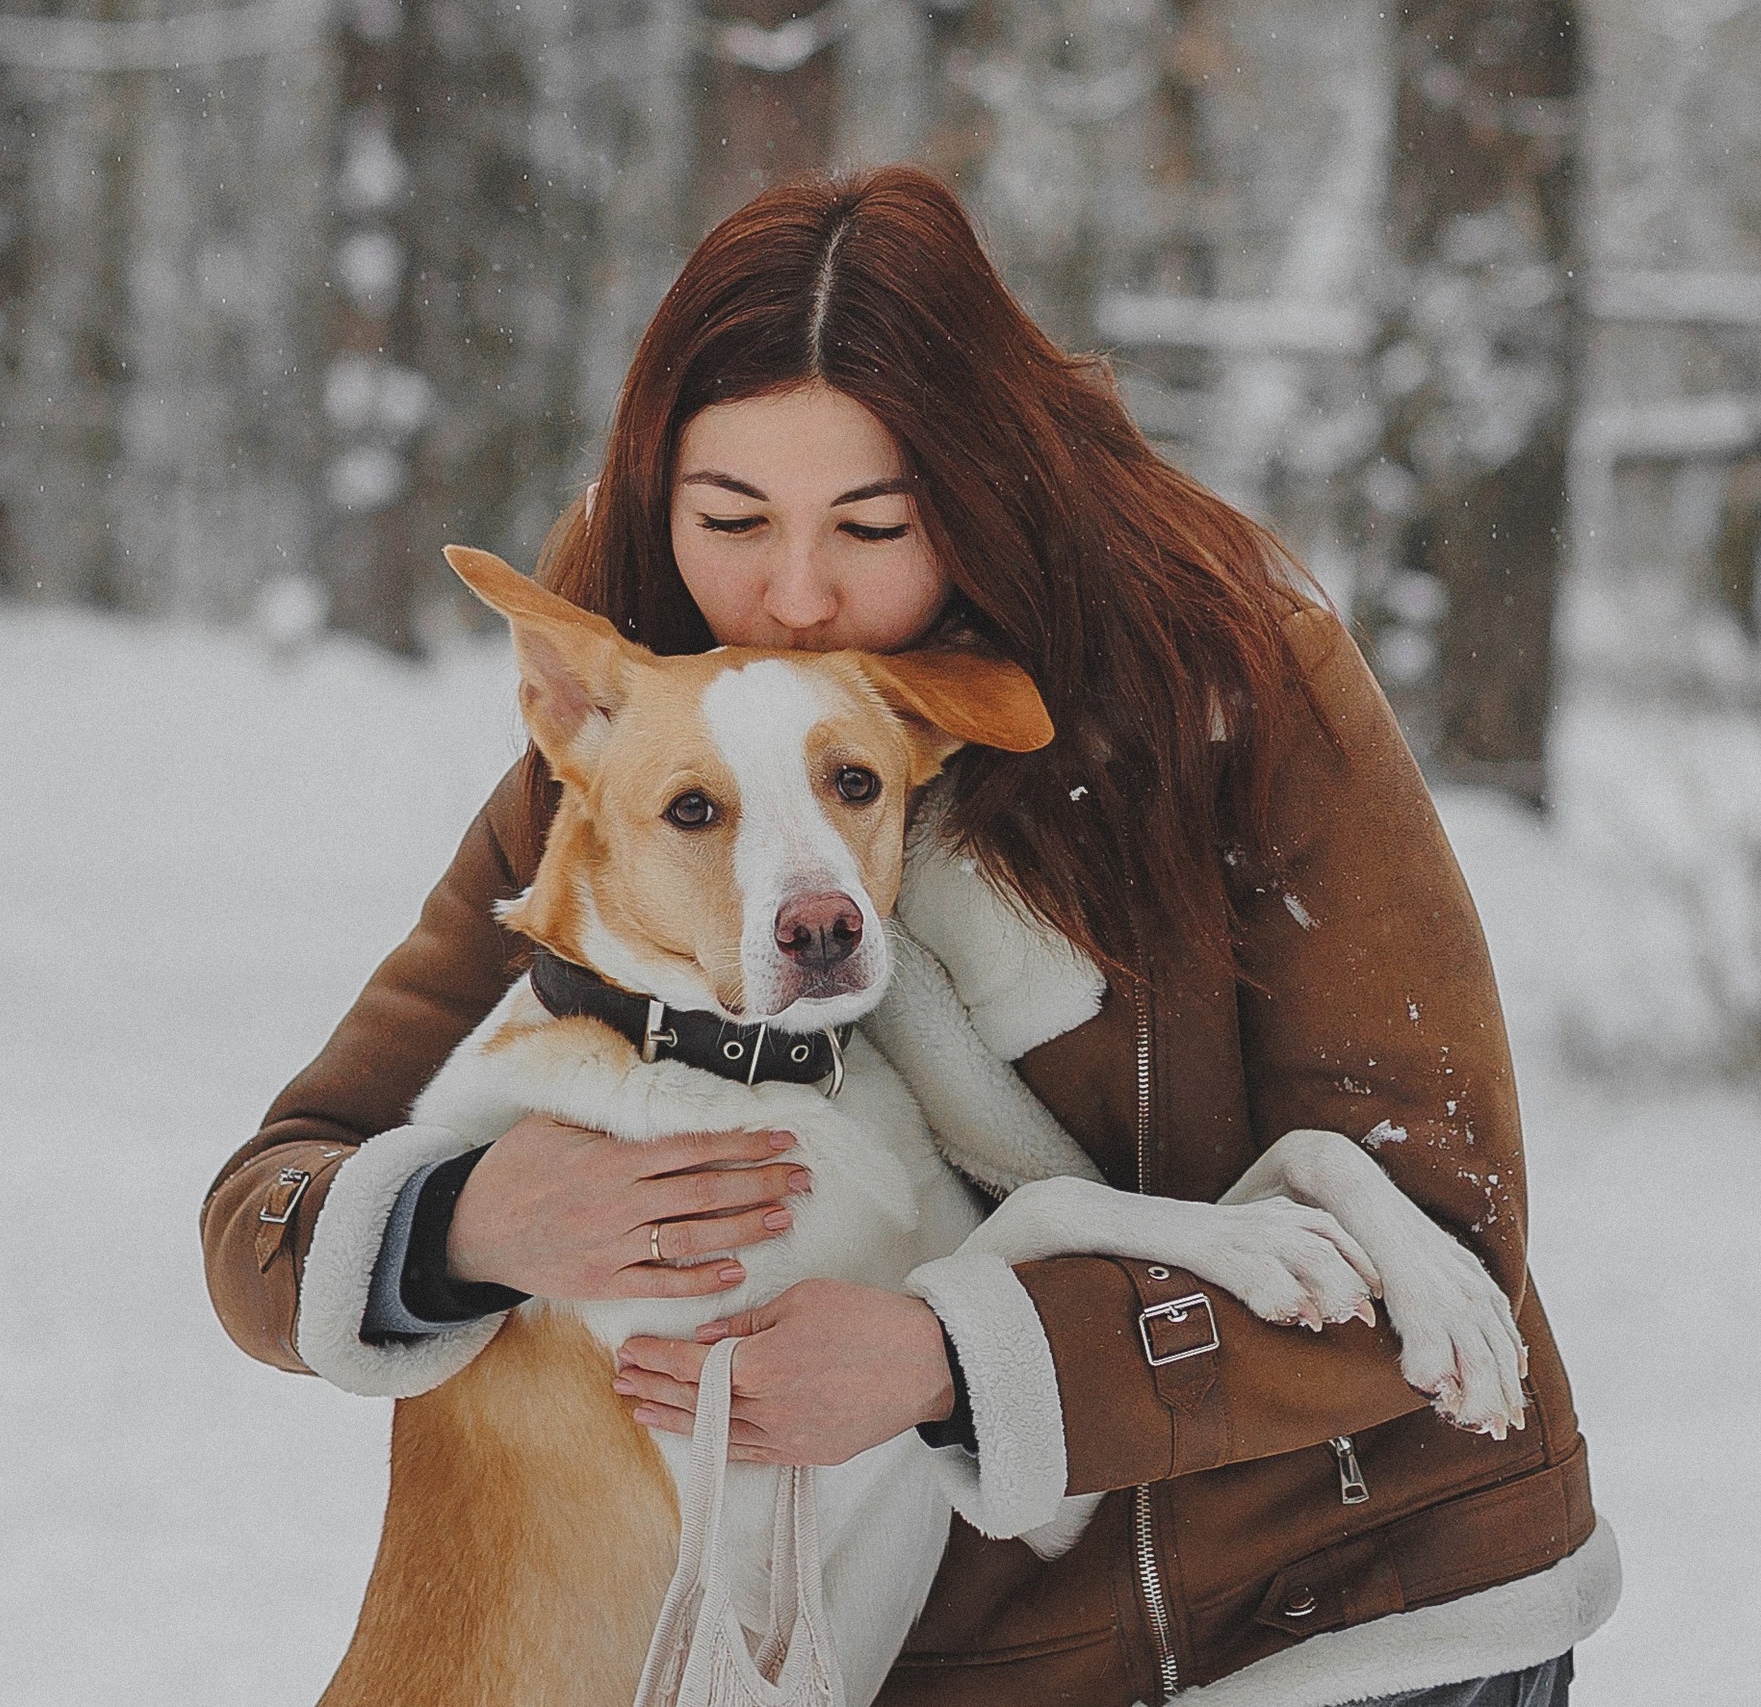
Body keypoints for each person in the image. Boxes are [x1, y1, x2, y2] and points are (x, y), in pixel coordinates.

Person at [201, 165, 1617, 1706]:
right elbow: (272, 1210)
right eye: (731, 519)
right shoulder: (638, 761)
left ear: (981, 489)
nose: (795, 595)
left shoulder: (1230, 688)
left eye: (872, 524)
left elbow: (1444, 1229)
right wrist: (461, 1221)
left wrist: (954, 1361)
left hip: (1354, 1617)